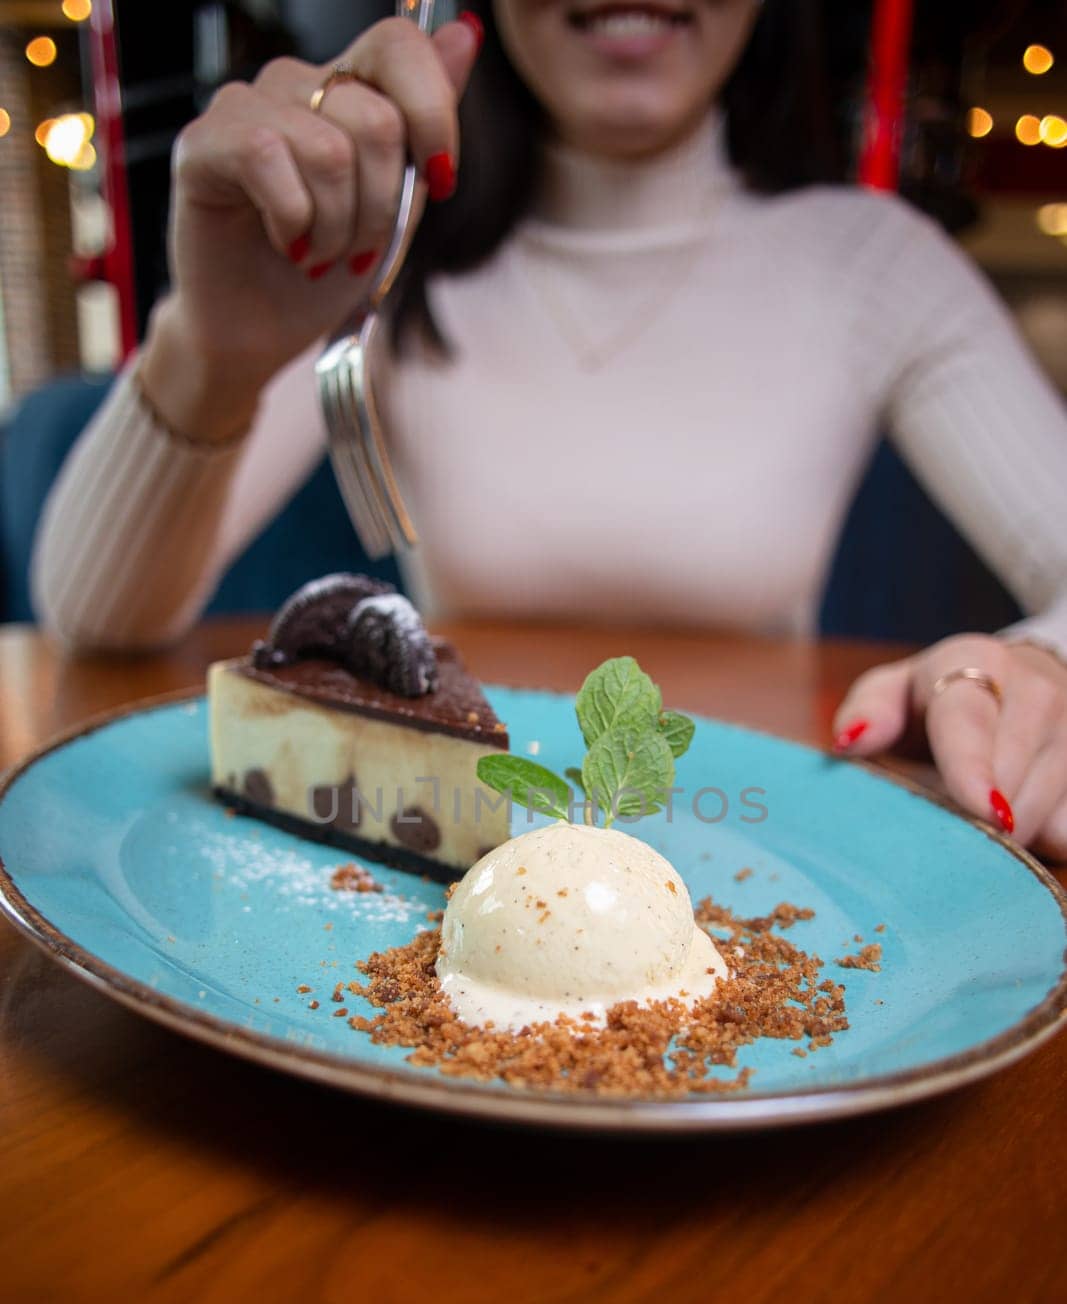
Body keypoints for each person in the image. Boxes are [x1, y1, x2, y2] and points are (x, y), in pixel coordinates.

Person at [31, 0, 1067, 858]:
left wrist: (1029, 672)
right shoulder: (384, 253)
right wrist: (211, 351)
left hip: (760, 849)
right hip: (447, 859)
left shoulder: (874, 261)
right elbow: (92, 616)